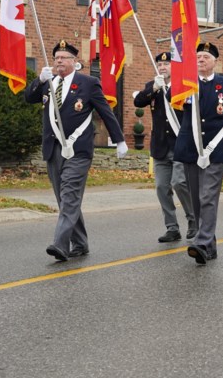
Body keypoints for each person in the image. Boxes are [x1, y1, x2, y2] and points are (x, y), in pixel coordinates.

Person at [25, 39, 128, 261]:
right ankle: (80, 243)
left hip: (78, 150)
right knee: (65, 200)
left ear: (74, 61)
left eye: (63, 58)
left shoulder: (88, 83)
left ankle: (60, 244)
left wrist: (119, 140)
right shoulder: (49, 82)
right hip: (54, 150)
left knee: (69, 195)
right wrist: (38, 80)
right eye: (56, 58)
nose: (58, 61)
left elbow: (106, 112)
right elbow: (28, 98)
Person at [174, 42, 223, 265]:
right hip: (190, 149)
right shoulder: (185, 85)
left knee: (208, 196)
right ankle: (209, 246)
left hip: (216, 150)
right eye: (198, 56)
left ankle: (201, 241)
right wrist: (163, 86)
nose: (201, 60)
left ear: (215, 61)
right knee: (197, 200)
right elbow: (171, 106)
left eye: (205, 56)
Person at [133, 51, 196, 243]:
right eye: (159, 65)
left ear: (174, 66)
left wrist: (167, 90)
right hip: (160, 146)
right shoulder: (153, 86)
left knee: (179, 183)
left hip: (180, 145)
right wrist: (154, 87)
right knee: (162, 187)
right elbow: (138, 101)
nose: (162, 67)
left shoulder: (184, 87)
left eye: (166, 64)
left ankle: (193, 219)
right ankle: (172, 227)